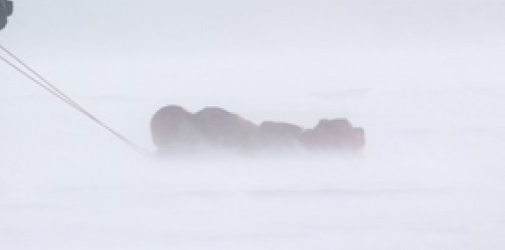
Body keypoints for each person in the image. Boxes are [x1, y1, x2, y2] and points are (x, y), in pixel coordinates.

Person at [149, 105, 365, 156]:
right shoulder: (207, 120)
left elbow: (218, 150)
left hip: (268, 142)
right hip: (269, 139)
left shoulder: (208, 121)